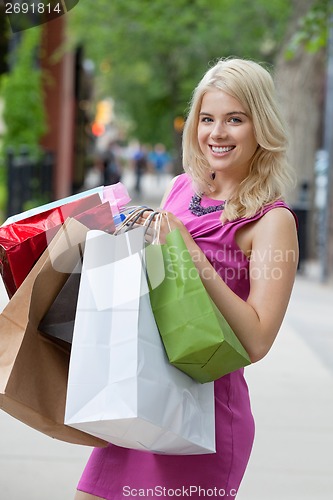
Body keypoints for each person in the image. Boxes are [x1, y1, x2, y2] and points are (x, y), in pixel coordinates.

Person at [74, 57, 299, 499]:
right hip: (141, 391)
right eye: (207, 119)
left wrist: (191, 253)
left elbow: (257, 341)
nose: (217, 133)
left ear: (261, 128)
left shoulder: (273, 220)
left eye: (235, 120)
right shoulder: (181, 187)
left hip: (204, 413)